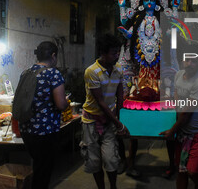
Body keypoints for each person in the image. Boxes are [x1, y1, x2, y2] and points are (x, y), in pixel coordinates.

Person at [160, 44, 198, 189]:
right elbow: (178, 100)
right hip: (184, 131)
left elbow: (186, 114)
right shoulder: (178, 74)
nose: (190, 64)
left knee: (192, 171)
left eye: (194, 61)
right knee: (181, 170)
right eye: (187, 60)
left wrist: (172, 131)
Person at [80, 33, 130, 189]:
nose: (117, 56)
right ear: (103, 52)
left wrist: (122, 121)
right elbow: (100, 102)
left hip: (109, 121)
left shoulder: (118, 70)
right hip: (91, 122)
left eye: (118, 52)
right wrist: (118, 123)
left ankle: (113, 187)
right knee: (94, 161)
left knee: (111, 159)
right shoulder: (92, 71)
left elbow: (120, 98)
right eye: (114, 53)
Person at [19, 41, 68, 189]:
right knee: (43, 172)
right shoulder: (53, 73)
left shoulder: (26, 72)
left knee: (38, 168)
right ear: (53, 56)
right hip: (45, 132)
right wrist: (66, 103)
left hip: (26, 130)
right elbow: (61, 104)